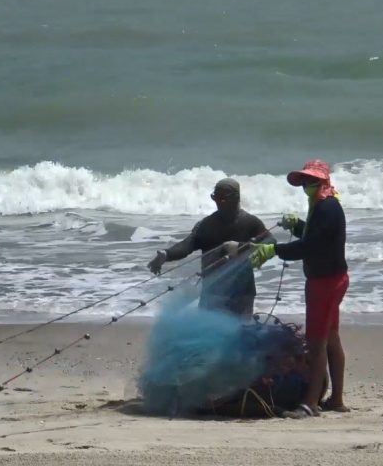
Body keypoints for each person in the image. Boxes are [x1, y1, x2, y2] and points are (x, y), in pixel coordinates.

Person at [250, 160, 349, 418]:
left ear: (323, 181)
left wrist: (274, 250)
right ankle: (336, 399)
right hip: (333, 278)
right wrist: (296, 226)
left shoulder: (327, 208)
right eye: (304, 181)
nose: (306, 185)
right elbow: (316, 235)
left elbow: (310, 247)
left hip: (324, 283)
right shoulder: (324, 204)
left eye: (312, 181)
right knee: (331, 337)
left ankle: (310, 404)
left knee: (316, 343)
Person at [147, 178, 271, 316]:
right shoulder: (206, 224)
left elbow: (271, 244)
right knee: (209, 329)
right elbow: (188, 245)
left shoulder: (251, 222)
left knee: (240, 329)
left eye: (223, 199)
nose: (219, 203)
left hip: (241, 293)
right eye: (216, 198)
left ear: (236, 198)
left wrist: (241, 247)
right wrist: (167, 254)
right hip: (213, 291)